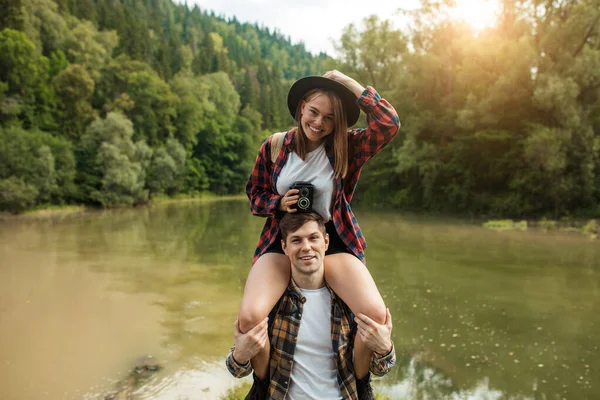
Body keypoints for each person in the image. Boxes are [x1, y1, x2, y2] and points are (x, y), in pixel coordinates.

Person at [239, 69, 400, 378]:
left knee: (375, 315)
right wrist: (279, 203)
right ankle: (263, 387)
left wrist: (350, 85)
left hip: (334, 239)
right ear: (302, 107)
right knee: (251, 316)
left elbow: (389, 124)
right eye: (314, 112)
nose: (319, 123)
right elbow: (254, 195)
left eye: (330, 118)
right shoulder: (274, 146)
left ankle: (359, 385)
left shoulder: (347, 147)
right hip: (281, 238)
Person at [226, 213, 396, 399]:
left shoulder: (349, 299)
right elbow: (238, 370)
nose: (306, 247)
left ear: (326, 242)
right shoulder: (271, 300)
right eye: (296, 240)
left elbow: (379, 370)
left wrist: (385, 348)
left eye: (313, 238)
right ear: (285, 247)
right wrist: (239, 356)